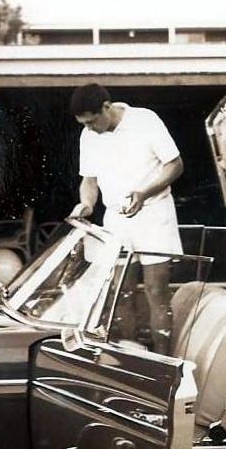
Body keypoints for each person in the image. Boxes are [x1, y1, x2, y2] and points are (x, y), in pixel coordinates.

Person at [68, 83, 184, 354]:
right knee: (120, 292)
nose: (89, 128)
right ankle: (129, 361)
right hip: (116, 219)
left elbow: (175, 165)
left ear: (106, 107)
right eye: (83, 124)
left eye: (91, 121)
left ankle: (163, 363)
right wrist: (86, 204)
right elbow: (89, 180)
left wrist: (144, 193)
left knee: (156, 291)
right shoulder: (88, 135)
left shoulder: (146, 120)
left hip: (155, 214)